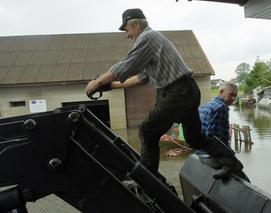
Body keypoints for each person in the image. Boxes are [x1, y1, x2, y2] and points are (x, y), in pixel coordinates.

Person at [85, 8, 242, 178]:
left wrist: (98, 82)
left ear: (136, 24)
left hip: (179, 92)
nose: (126, 34)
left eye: (126, 29)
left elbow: (124, 66)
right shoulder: (152, 44)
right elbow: (140, 78)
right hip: (187, 91)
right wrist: (111, 86)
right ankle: (231, 162)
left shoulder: (147, 37)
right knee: (194, 139)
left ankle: (148, 179)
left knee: (147, 130)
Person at [199, 81, 238, 146]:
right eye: (231, 94)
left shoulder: (207, 104)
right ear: (221, 92)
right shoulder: (221, 108)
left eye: (235, 95)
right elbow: (215, 138)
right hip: (212, 153)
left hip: (201, 149)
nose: (233, 98)